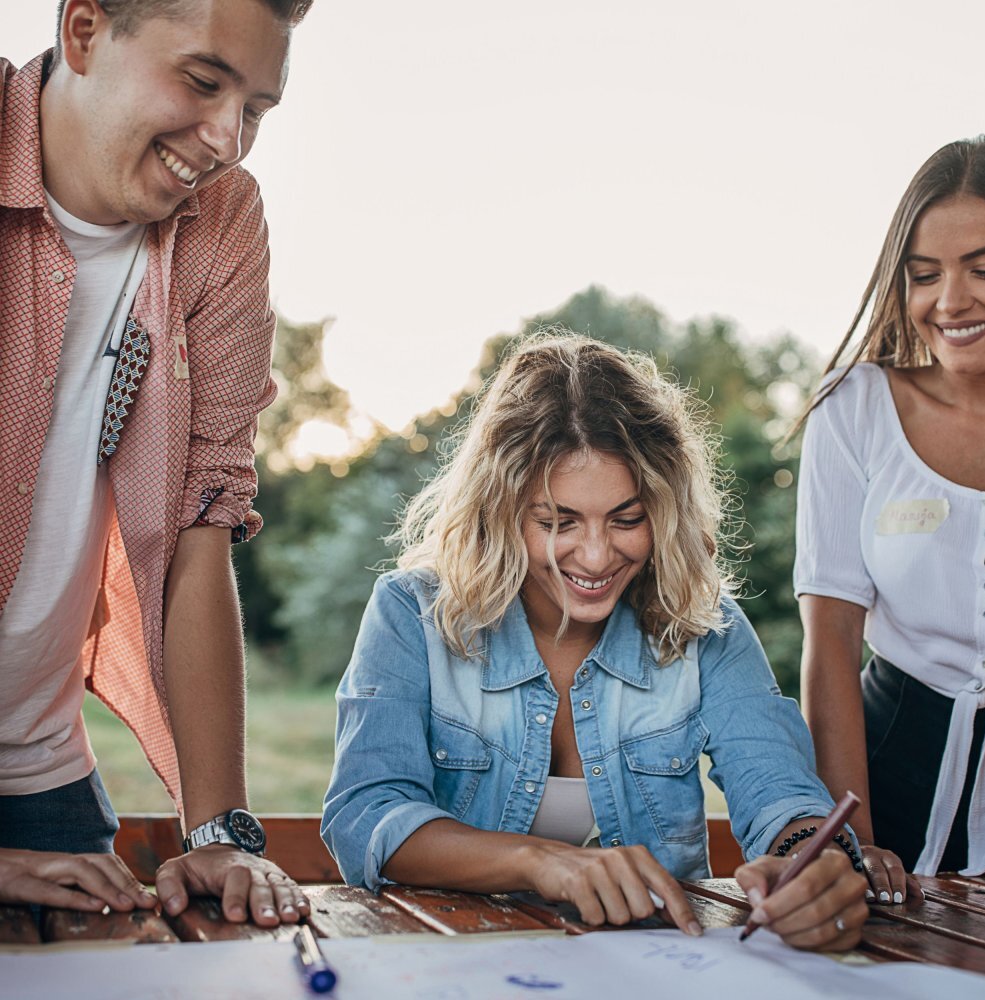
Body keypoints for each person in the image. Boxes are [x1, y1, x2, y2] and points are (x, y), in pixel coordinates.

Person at [323, 333, 868, 951]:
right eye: (557, 522)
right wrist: (541, 860)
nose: (595, 555)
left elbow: (781, 794)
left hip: (654, 970)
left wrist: (811, 861)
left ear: (663, 512)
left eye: (627, 520)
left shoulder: (703, 624)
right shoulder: (412, 613)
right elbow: (366, 816)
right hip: (457, 964)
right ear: (499, 511)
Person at [0, 0, 312, 924]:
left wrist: (219, 834)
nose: (227, 139)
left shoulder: (222, 221)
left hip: (40, 776)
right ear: (85, 31)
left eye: (256, 108)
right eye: (203, 80)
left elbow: (200, 528)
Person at [794, 137, 985, 901]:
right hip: (879, 775)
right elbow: (832, 638)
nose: (951, 301)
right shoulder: (853, 409)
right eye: (924, 275)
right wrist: (853, 843)